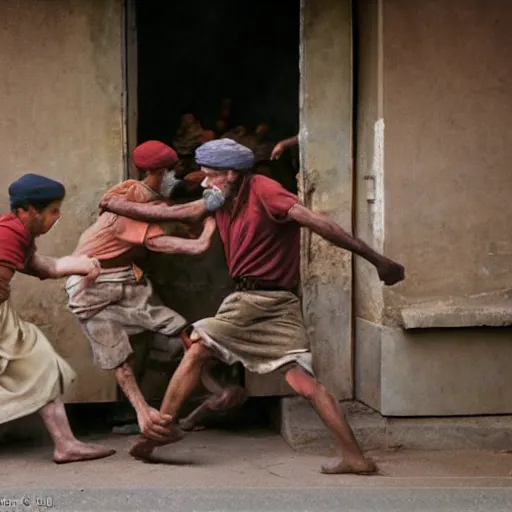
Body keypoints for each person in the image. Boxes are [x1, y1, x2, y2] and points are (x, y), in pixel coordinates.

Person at [102, 139, 405, 474]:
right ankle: (355, 457)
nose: (205, 182)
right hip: (275, 302)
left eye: (211, 175)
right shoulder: (223, 194)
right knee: (303, 381)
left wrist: (377, 260)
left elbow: (321, 225)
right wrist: (120, 203)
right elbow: (182, 207)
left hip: (257, 301)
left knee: (198, 346)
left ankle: (156, 435)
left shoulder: (265, 190)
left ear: (233, 173)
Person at [65, 141, 218, 446]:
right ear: (159, 171)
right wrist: (204, 236)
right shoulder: (130, 197)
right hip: (92, 287)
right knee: (118, 358)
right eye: (174, 169)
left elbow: (163, 213)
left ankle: (212, 392)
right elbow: (157, 241)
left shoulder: (146, 195)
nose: (179, 174)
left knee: (181, 331)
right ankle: (144, 415)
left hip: (128, 282)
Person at [0, 173, 115, 463]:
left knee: (40, 361)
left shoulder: (17, 233)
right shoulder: (9, 234)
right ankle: (65, 444)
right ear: (27, 211)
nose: (58, 217)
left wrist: (82, 265)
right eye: (52, 211)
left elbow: (45, 266)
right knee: (36, 359)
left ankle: (65, 444)